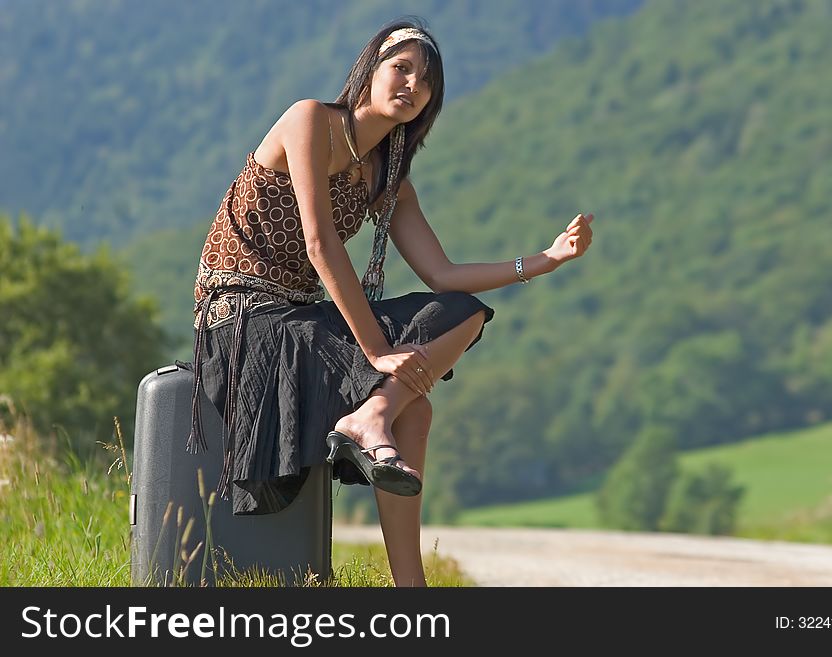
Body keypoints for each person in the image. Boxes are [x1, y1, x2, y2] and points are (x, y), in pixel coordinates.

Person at [189, 18, 593, 587]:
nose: (410, 85)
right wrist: (376, 351)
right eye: (400, 68)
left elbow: (442, 273)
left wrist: (544, 260)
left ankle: (408, 578)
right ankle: (376, 426)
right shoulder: (310, 121)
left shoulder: (389, 175)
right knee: (414, 402)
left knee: (463, 315)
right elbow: (320, 241)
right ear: (369, 72)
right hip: (241, 319)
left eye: (424, 81)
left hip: (304, 318)